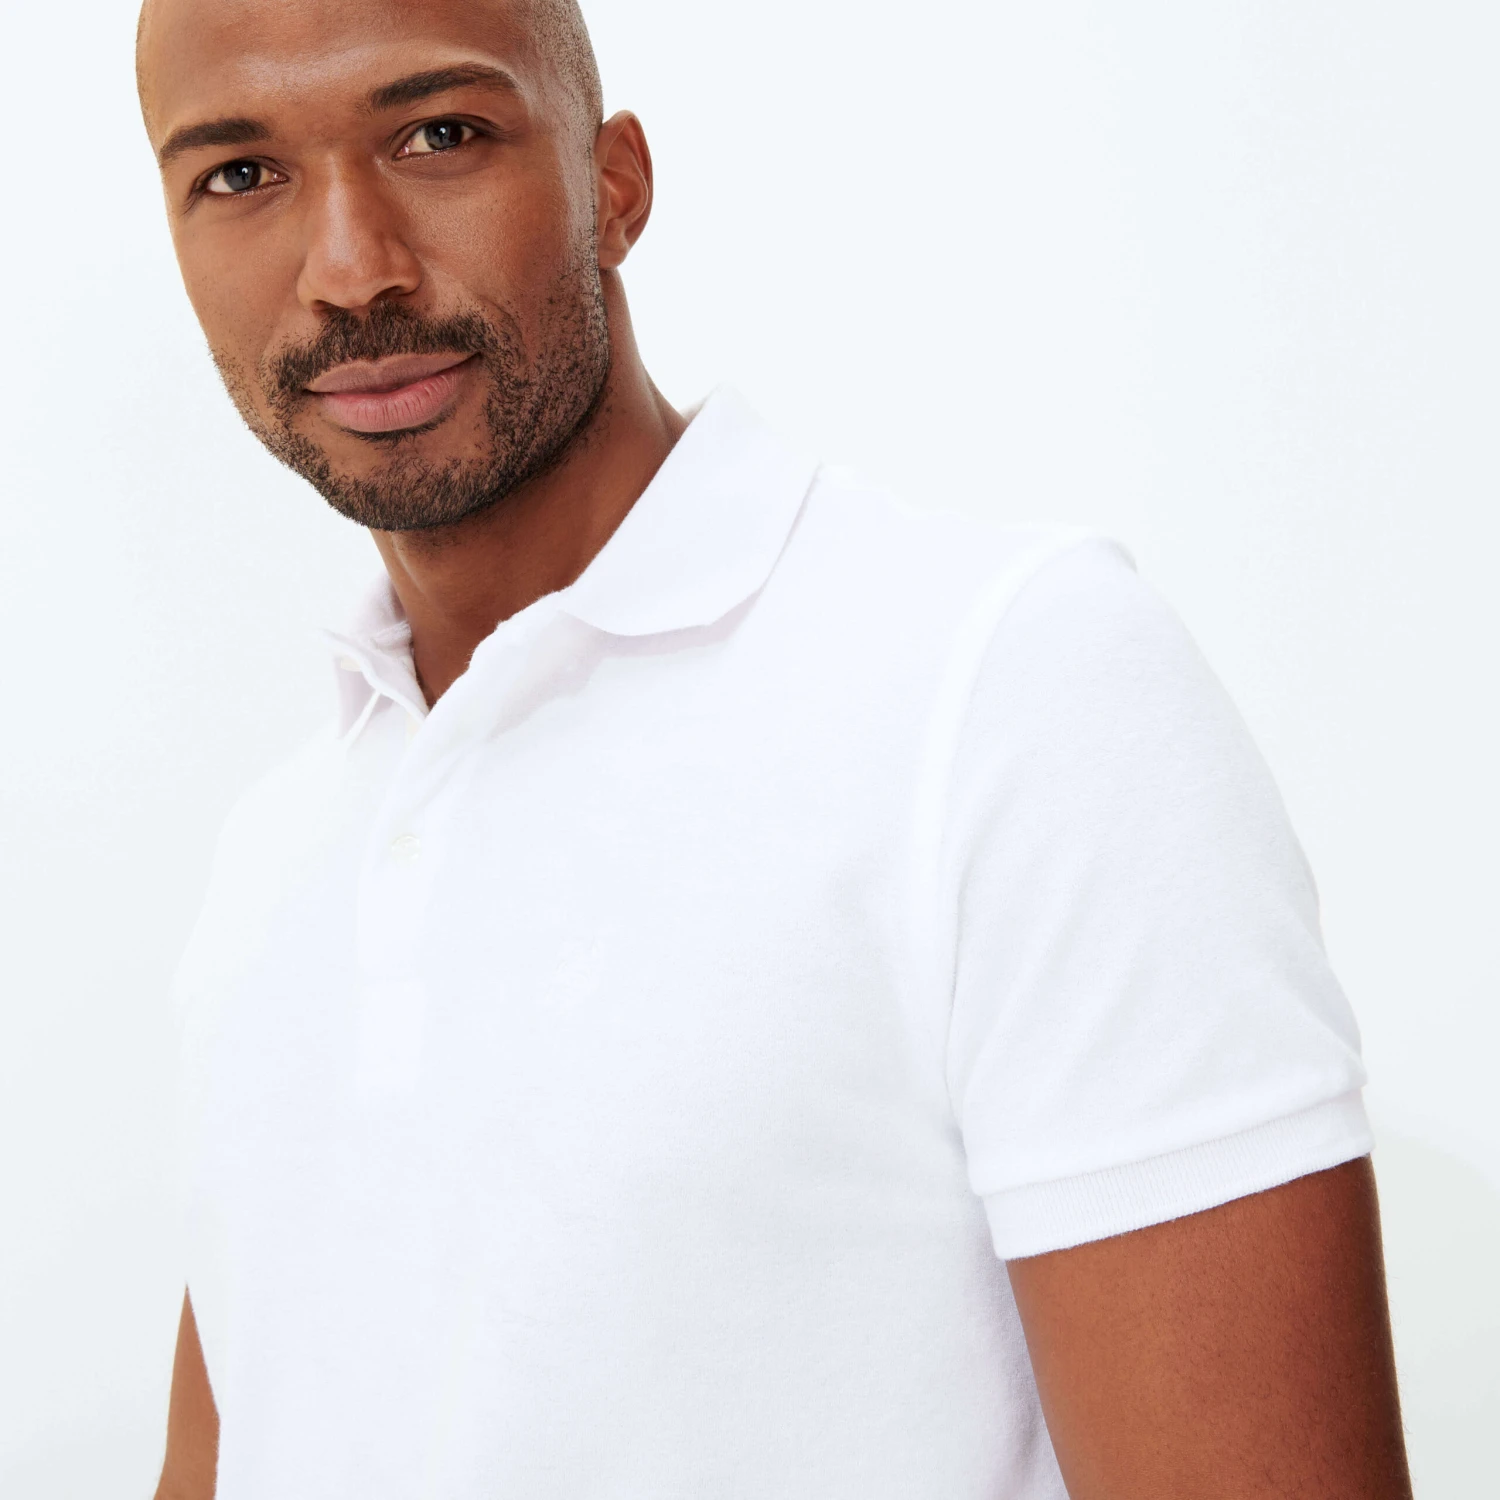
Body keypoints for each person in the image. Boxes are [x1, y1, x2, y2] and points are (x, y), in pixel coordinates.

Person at [135, 1, 1413, 1496]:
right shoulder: (279, 855)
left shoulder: (1009, 691)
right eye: (238, 175)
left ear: (613, 184)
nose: (351, 269)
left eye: (439, 135)